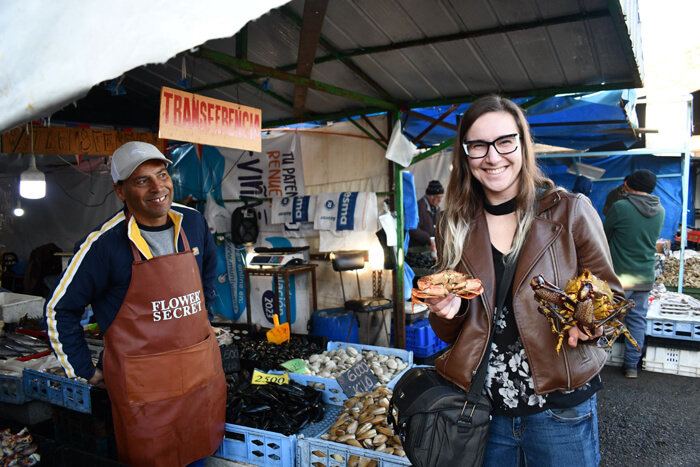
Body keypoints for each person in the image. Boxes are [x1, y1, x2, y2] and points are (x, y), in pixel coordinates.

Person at [427, 96, 624, 466]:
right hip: (486, 408)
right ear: (465, 154)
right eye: (478, 146)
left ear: (522, 143)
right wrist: (445, 312)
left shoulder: (570, 211)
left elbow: (610, 300)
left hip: (559, 408)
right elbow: (450, 332)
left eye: (505, 141)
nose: (493, 156)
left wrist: (591, 323)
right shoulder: (454, 223)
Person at [45, 142, 225, 467]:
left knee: (203, 455)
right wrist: (84, 369)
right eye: (142, 181)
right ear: (120, 190)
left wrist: (205, 314)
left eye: (162, 175)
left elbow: (209, 266)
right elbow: (59, 309)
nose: (159, 188)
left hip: (200, 377)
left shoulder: (194, 223)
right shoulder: (103, 245)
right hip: (146, 395)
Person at [603, 169, 665, 379]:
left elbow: (604, 235)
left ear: (630, 184)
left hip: (620, 278)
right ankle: (631, 366)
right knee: (637, 321)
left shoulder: (620, 207)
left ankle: (595, 365)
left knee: (606, 319)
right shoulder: (661, 211)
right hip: (645, 276)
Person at [408, 180, 444, 247]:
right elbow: (412, 228)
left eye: (441, 197)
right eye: (437, 197)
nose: (440, 200)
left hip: (430, 246)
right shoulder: (419, 207)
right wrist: (428, 238)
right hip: (417, 248)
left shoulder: (437, 209)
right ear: (429, 196)